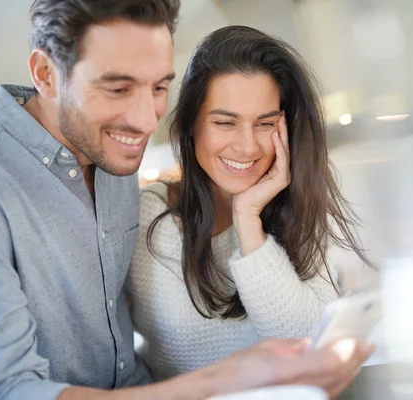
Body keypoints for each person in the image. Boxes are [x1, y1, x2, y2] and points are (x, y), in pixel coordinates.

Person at [0, 1, 373, 400]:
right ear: (46, 73)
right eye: (118, 88)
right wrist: (223, 379)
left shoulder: (111, 165)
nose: (148, 120)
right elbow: (1, 392)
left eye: (159, 88)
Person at [128, 25, 373, 381]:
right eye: (225, 123)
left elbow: (303, 343)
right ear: (191, 124)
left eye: (265, 123)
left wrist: (248, 219)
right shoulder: (151, 214)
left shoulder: (303, 202)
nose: (247, 146)